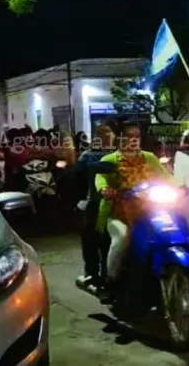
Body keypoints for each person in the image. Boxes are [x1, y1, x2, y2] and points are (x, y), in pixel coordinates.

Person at [95, 122, 175, 303]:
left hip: (150, 211)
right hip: (118, 213)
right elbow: (100, 179)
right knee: (122, 237)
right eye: (129, 136)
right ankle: (111, 281)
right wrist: (105, 189)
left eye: (137, 136)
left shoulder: (149, 157)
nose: (133, 140)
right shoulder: (110, 160)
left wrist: (181, 187)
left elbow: (166, 177)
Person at [75, 121, 117, 290]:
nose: (106, 137)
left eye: (108, 133)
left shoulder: (123, 155)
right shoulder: (89, 156)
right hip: (98, 202)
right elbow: (78, 179)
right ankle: (92, 273)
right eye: (103, 134)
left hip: (120, 203)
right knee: (93, 238)